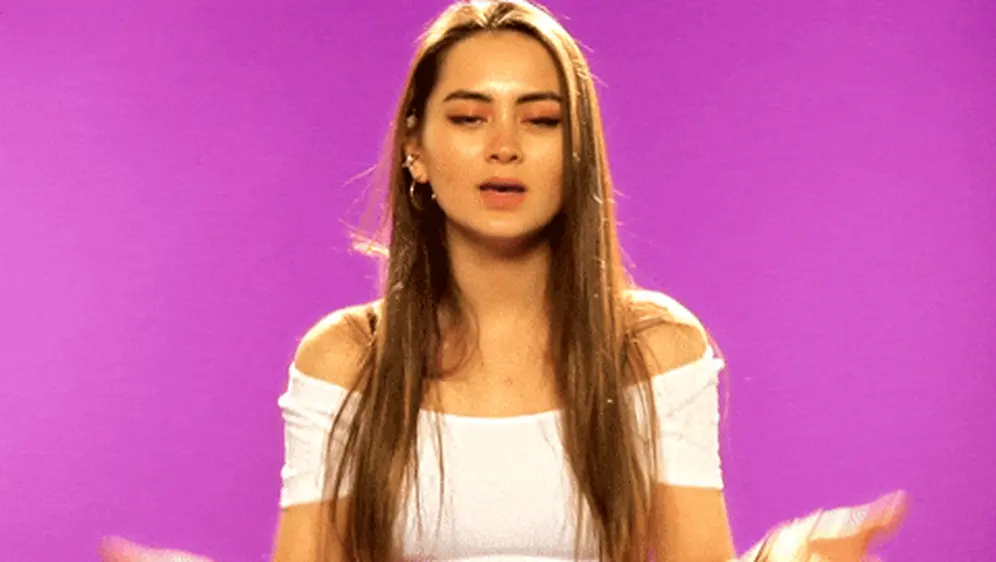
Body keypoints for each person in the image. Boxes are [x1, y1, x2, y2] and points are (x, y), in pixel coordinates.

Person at [100, 1, 908, 560]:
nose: (505, 145)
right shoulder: (346, 361)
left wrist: (780, 559)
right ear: (415, 150)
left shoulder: (655, 349)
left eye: (541, 119)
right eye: (468, 116)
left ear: (575, 152)